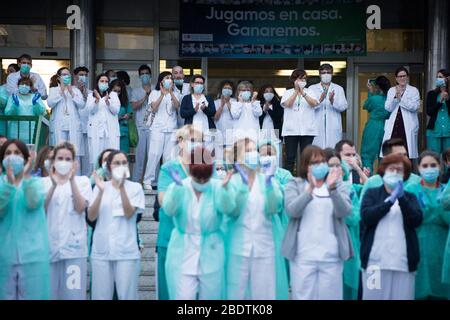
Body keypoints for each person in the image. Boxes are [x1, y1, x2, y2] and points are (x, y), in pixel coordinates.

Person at [162, 146, 235, 300]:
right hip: (183, 252)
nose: (202, 182)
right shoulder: (181, 185)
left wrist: (226, 190)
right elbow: (169, 209)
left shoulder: (217, 186)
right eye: (198, 178)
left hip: (211, 252)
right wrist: (176, 189)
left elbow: (228, 209)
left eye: (205, 178)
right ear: (190, 172)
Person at [282, 146, 353, 300]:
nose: (319, 166)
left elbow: (345, 211)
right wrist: (310, 190)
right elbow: (292, 210)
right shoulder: (295, 184)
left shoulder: (337, 184)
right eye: (314, 163)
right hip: (303, 256)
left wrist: (332, 189)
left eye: (322, 162)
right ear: (305, 165)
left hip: (331, 256)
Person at [225, 138, 288, 300]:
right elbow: (233, 211)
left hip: (264, 247)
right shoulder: (232, 182)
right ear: (239, 157)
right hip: (238, 249)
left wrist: (268, 185)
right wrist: (242, 189)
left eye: (254, 150)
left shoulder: (267, 180)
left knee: (264, 296)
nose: (254, 154)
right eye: (248, 151)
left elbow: (275, 208)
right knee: (236, 295)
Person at [360, 154, 423, 300]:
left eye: (399, 170)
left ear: (405, 174)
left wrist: (401, 198)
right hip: (374, 263)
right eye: (391, 169)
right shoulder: (372, 193)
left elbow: (416, 220)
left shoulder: (410, 197)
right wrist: (389, 202)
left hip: (403, 263)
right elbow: (367, 217)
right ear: (383, 171)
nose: (395, 173)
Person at [88, 150, 145, 300]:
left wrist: (121, 188)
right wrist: (100, 192)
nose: (121, 166)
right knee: (101, 296)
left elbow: (129, 214)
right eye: (117, 163)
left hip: (126, 250)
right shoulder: (100, 187)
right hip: (102, 250)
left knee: (127, 295)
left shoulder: (135, 188)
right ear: (109, 166)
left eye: (124, 163)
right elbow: (91, 216)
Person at [155, 125, 203, 300]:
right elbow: (163, 201)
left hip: (199, 242)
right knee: (170, 293)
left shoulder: (204, 169)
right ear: (181, 143)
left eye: (199, 141)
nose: (197, 145)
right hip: (171, 239)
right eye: (193, 140)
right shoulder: (170, 168)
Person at [0, 139, 50, 299]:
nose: (12, 157)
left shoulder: (35, 183)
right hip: (4, 257)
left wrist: (26, 175)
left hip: (32, 257)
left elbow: (33, 203)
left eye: (17, 153)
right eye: (8, 153)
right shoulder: (1, 184)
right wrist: (8, 184)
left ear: (26, 158)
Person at [43, 142, 92, 300]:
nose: (64, 162)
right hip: (48, 250)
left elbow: (80, 208)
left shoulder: (83, 181)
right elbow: (40, 210)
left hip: (74, 251)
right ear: (53, 161)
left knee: (74, 295)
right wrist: (53, 183)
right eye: (60, 158)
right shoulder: (43, 183)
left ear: (74, 162)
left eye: (68, 159)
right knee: (48, 295)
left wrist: (71, 181)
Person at [405, 151, 450, 299]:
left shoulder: (446, 191)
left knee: (441, 290)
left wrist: (431, 212)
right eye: (425, 165)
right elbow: (411, 218)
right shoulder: (411, 190)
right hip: (417, 247)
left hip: (442, 249)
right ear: (418, 168)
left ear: (440, 168)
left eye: (433, 165)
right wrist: (438, 210)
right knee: (419, 289)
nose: (429, 169)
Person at [142, 71, 181, 190]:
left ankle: (168, 181)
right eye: (167, 78)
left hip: (171, 129)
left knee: (169, 158)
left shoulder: (176, 93)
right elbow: (153, 108)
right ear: (161, 81)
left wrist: (171, 93)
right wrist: (162, 94)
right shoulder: (154, 93)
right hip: (157, 129)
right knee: (154, 155)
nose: (170, 80)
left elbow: (177, 106)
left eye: (171, 78)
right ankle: (148, 181)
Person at [281, 69, 320, 174]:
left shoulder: (310, 91)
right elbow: (287, 104)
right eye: (300, 79)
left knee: (306, 158)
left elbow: (314, 103)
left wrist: (303, 92)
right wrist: (296, 92)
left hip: (307, 130)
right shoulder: (287, 92)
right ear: (294, 80)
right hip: (291, 130)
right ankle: (287, 181)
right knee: (290, 157)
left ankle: (306, 181)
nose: (302, 81)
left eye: (304, 79)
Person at [47, 67, 85, 165]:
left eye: (68, 74)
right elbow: (50, 103)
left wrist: (71, 92)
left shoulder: (75, 90)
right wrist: (61, 91)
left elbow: (81, 105)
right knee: (59, 150)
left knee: (74, 152)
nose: (66, 76)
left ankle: (75, 176)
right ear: (59, 78)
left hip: (73, 125)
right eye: (64, 74)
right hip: (59, 125)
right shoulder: (54, 90)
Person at [382, 67, 421, 160]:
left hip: (407, 126)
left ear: (407, 77)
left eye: (404, 76)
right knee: (391, 153)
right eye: (400, 76)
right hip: (394, 126)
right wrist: (396, 97)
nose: (402, 78)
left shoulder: (414, 90)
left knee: (406, 153)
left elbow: (415, 107)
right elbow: (388, 107)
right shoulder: (391, 90)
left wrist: (401, 99)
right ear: (396, 78)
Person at [85, 74, 121, 170]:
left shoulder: (113, 95)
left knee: (111, 158)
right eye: (102, 81)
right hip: (96, 132)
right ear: (97, 82)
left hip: (110, 131)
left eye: (106, 81)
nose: (104, 83)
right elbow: (90, 110)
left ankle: (111, 181)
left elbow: (116, 110)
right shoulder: (90, 96)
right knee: (96, 159)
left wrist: (108, 102)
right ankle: (97, 181)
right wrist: (97, 100)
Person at [309, 63, 348, 149]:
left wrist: (333, 101)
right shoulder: (312, 88)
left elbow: (344, 107)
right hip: (317, 125)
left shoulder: (338, 88)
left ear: (332, 74)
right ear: (319, 74)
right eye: (323, 73)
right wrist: (320, 101)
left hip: (333, 126)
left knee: (333, 152)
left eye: (328, 72)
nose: (326, 74)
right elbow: (309, 107)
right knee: (317, 152)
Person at [361, 76, 392, 174]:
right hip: (387, 127)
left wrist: (370, 91)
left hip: (373, 126)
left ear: (377, 86)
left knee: (367, 155)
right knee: (383, 155)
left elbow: (366, 106)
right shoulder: (390, 99)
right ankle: (383, 181)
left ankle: (368, 181)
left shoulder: (374, 98)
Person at [180, 75, 216, 151]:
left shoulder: (208, 98)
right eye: (197, 83)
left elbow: (213, 112)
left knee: (206, 156)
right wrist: (194, 110)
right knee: (191, 156)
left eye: (201, 83)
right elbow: (182, 114)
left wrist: (205, 109)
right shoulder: (186, 98)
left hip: (206, 132)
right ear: (192, 84)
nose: (199, 85)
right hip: (191, 133)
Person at [5, 77, 46, 144]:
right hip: (15, 131)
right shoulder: (13, 97)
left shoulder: (35, 97)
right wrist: (15, 106)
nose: (24, 86)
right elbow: (8, 113)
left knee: (29, 151)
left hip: (31, 130)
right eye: (22, 84)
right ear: (18, 85)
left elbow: (42, 112)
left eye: (27, 84)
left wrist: (36, 104)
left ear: (30, 87)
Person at [130, 64, 152, 183]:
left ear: (150, 76)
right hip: (140, 127)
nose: (144, 76)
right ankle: (136, 181)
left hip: (153, 128)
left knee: (153, 157)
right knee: (139, 157)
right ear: (139, 77)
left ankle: (152, 182)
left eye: (146, 74)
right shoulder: (136, 91)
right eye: (142, 74)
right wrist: (145, 97)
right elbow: (134, 106)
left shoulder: (156, 88)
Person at [426, 69, 450, 155]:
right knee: (434, 158)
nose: (438, 79)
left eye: (440, 77)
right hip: (434, 131)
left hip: (448, 131)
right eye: (437, 77)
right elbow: (429, 112)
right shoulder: (431, 94)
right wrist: (439, 102)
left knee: (448, 160)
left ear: (447, 79)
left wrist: (447, 100)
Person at [73, 66, 92, 176]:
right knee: (76, 155)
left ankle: (87, 180)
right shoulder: (71, 91)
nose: (83, 77)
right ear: (75, 76)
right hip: (75, 128)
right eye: (81, 74)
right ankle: (76, 179)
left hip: (88, 128)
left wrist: (85, 95)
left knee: (88, 157)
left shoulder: (90, 93)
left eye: (85, 75)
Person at [214, 80, 236, 161]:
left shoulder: (235, 101)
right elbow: (215, 118)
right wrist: (222, 105)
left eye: (229, 88)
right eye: (225, 88)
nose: (227, 90)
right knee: (219, 158)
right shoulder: (216, 102)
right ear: (221, 90)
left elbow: (235, 115)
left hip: (231, 133)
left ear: (232, 91)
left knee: (230, 159)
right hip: (219, 131)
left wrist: (228, 102)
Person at [111, 79, 133, 154]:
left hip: (123, 133)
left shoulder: (124, 100)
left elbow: (130, 113)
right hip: (111, 133)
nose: (117, 93)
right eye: (115, 91)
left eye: (119, 91)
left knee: (123, 156)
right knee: (111, 157)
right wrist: (118, 118)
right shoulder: (107, 100)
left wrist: (128, 115)